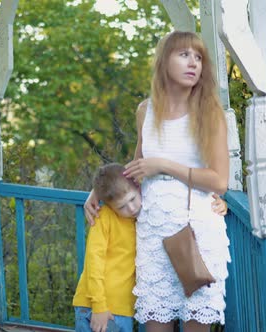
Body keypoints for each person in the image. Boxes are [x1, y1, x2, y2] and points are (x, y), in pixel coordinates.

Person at [84, 31, 231, 332]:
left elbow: (219, 181)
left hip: (196, 233)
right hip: (153, 234)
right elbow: (138, 168)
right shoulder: (144, 111)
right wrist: (98, 191)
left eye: (199, 57)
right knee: (156, 324)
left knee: (196, 323)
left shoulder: (209, 112)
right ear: (164, 62)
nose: (193, 63)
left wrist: (164, 165)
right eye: (184, 55)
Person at [73, 163, 141, 332]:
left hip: (122, 308)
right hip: (98, 307)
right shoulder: (103, 217)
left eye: (132, 199)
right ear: (110, 206)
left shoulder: (139, 219)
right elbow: (93, 262)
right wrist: (99, 306)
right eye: (122, 207)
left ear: (138, 187)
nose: (131, 208)